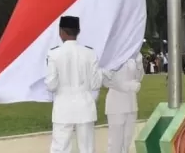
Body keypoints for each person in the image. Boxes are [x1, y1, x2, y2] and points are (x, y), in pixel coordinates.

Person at [45, 16, 103, 153]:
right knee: (87, 149)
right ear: (78, 31)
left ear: (61, 32)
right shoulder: (90, 53)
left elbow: (51, 85)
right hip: (85, 106)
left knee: (60, 148)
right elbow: (95, 84)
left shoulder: (54, 54)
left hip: (63, 108)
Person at [103, 51, 144, 153]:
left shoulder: (134, 53)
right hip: (116, 103)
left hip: (131, 103)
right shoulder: (112, 53)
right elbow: (107, 80)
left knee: (127, 142)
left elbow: (139, 78)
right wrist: (128, 86)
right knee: (115, 143)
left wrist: (139, 64)